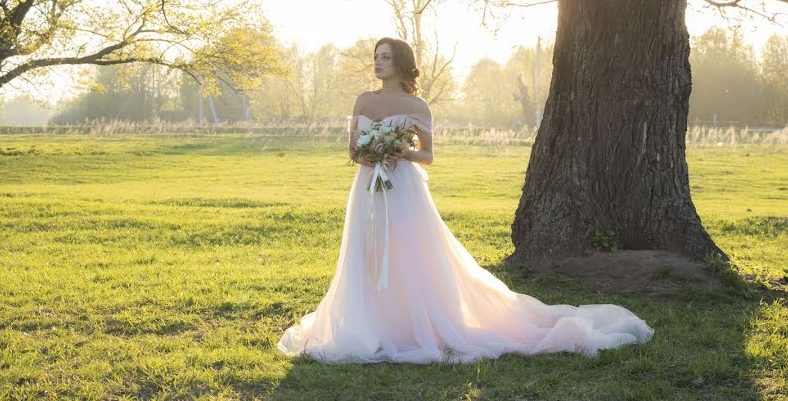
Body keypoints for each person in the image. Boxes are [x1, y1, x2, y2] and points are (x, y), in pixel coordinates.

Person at [276, 37, 654, 364]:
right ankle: (370, 322)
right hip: (367, 188)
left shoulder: (418, 107)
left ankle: (415, 321)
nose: (377, 61)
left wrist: (400, 154)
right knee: (367, 252)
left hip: (404, 188)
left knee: (411, 253)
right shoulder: (363, 100)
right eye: (376, 55)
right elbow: (353, 151)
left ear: (401, 63)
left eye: (385, 56)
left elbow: (427, 157)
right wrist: (371, 155)